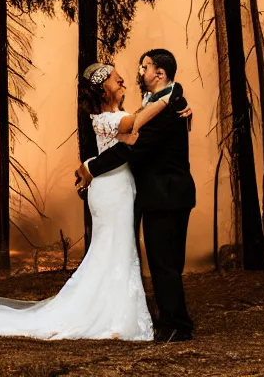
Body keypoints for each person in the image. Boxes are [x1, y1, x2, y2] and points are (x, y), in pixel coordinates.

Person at [0, 62, 189, 341]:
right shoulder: (111, 119)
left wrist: (176, 109)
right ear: (103, 88)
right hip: (112, 191)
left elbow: (129, 146)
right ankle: (114, 316)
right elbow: (136, 125)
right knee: (115, 248)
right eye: (116, 78)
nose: (123, 81)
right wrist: (168, 97)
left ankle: (115, 311)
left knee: (115, 250)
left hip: (116, 188)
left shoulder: (111, 118)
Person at [77, 49, 196, 343]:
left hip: (166, 194)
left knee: (164, 262)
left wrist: (90, 166)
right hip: (149, 193)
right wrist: (174, 95)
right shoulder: (154, 105)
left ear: (160, 74)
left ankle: (175, 326)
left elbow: (133, 148)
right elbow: (133, 133)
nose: (138, 74)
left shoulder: (167, 107)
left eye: (145, 67)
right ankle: (165, 320)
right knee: (159, 261)